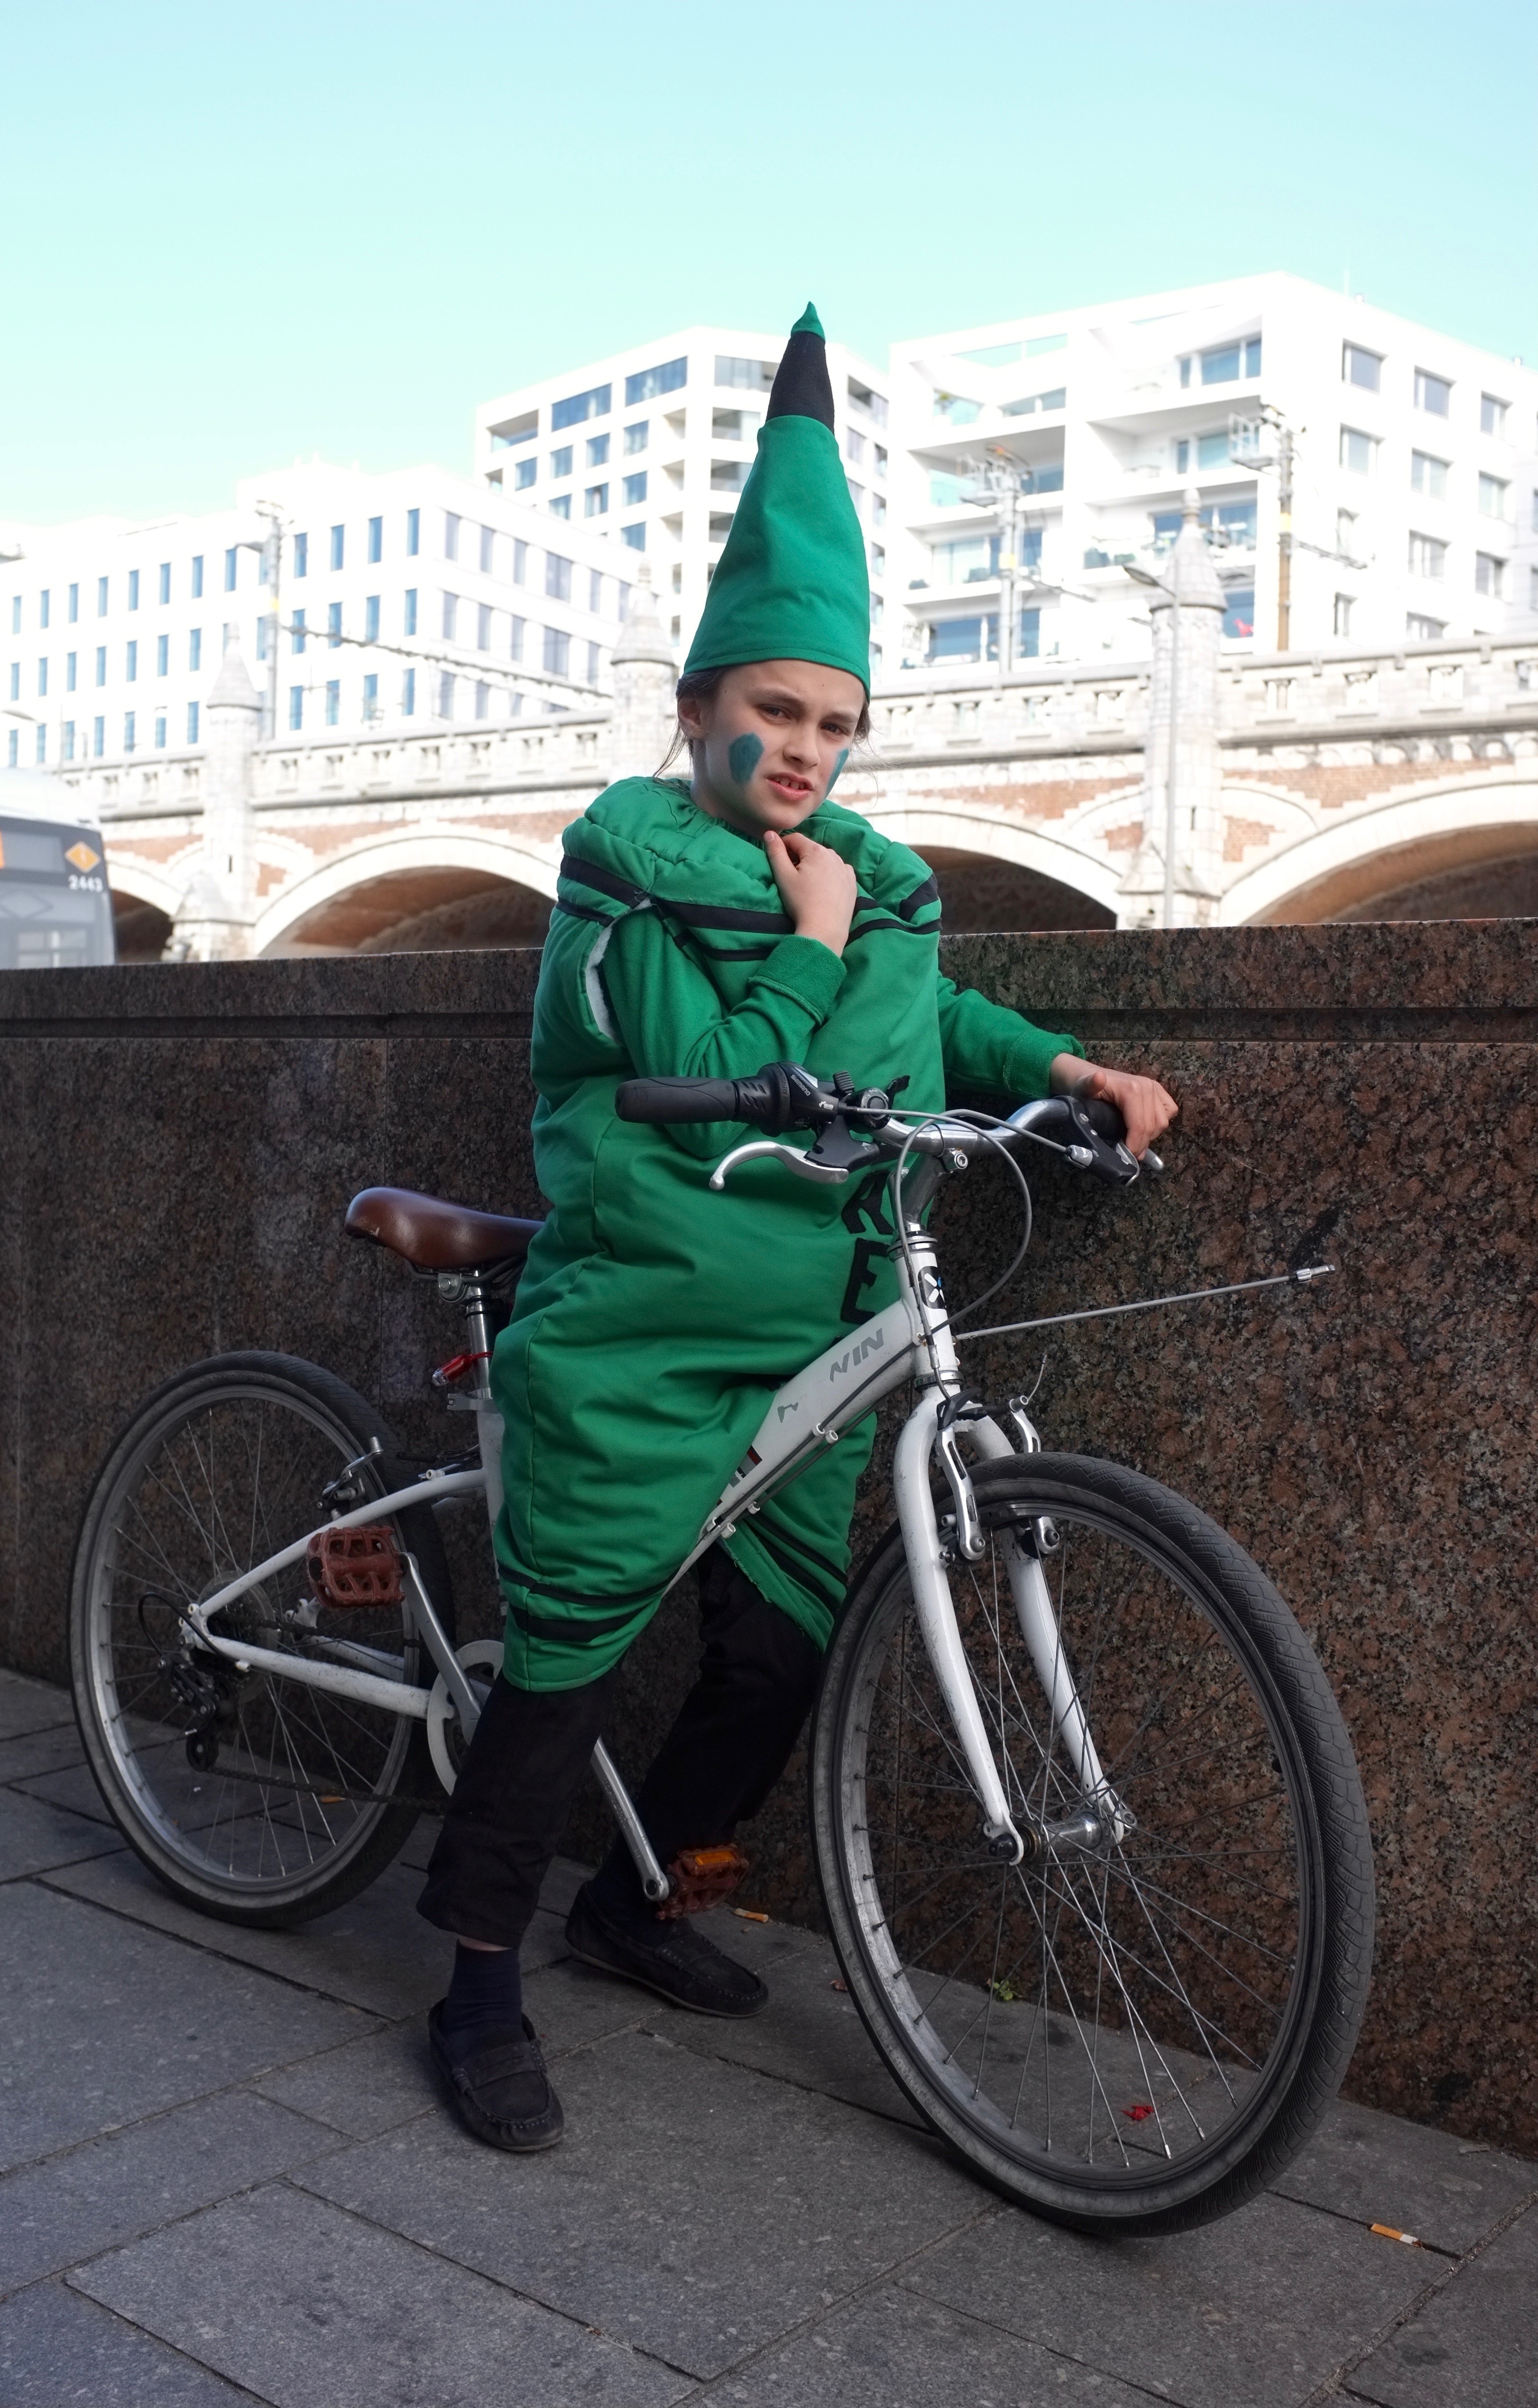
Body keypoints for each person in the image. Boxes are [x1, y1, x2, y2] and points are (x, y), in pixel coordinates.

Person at [417, 305, 1178, 2151]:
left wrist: (1061, 1063)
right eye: (773, 711)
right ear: (695, 711)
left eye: (836, 722)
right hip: (646, 1317)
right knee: (568, 1653)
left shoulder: (863, 881)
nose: (806, 748)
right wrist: (818, 941)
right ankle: (475, 1985)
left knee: (777, 1654)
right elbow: (709, 1064)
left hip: (817, 1322)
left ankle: (636, 1900)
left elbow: (919, 1016)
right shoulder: (622, 884)